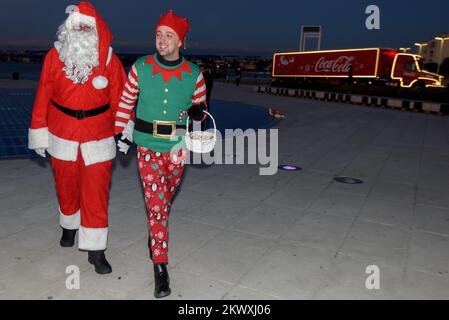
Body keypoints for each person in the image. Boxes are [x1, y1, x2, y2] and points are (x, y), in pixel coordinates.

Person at [113, 10, 208, 298]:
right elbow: (125, 101)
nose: (162, 40)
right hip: (147, 145)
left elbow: (201, 112)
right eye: (158, 34)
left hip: (178, 147)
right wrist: (121, 131)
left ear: (181, 41)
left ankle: (155, 236)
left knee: (165, 199)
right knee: (156, 205)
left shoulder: (195, 74)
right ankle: (160, 267)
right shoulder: (140, 67)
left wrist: (197, 113)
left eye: (168, 35)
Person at [28, 2, 126, 274]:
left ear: (96, 30)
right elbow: (43, 95)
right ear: (68, 28)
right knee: (66, 186)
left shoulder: (109, 59)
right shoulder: (54, 56)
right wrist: (39, 131)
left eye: (86, 25)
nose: (81, 29)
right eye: (76, 24)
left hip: (98, 134)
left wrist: (123, 130)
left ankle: (96, 250)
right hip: (62, 133)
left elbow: (121, 97)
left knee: (95, 192)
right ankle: (69, 226)